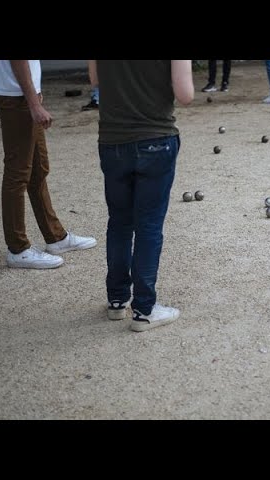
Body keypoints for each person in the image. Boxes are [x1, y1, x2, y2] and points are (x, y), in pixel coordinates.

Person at [93, 60, 194, 332]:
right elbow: (186, 95)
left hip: (112, 140)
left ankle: (117, 299)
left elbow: (95, 79)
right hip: (155, 137)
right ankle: (144, 309)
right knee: (148, 226)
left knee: (119, 223)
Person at [0, 60, 97, 269]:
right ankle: (18, 249)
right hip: (16, 95)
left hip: (19, 93)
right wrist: (34, 103)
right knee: (17, 173)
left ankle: (55, 237)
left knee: (38, 169)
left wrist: (34, 95)